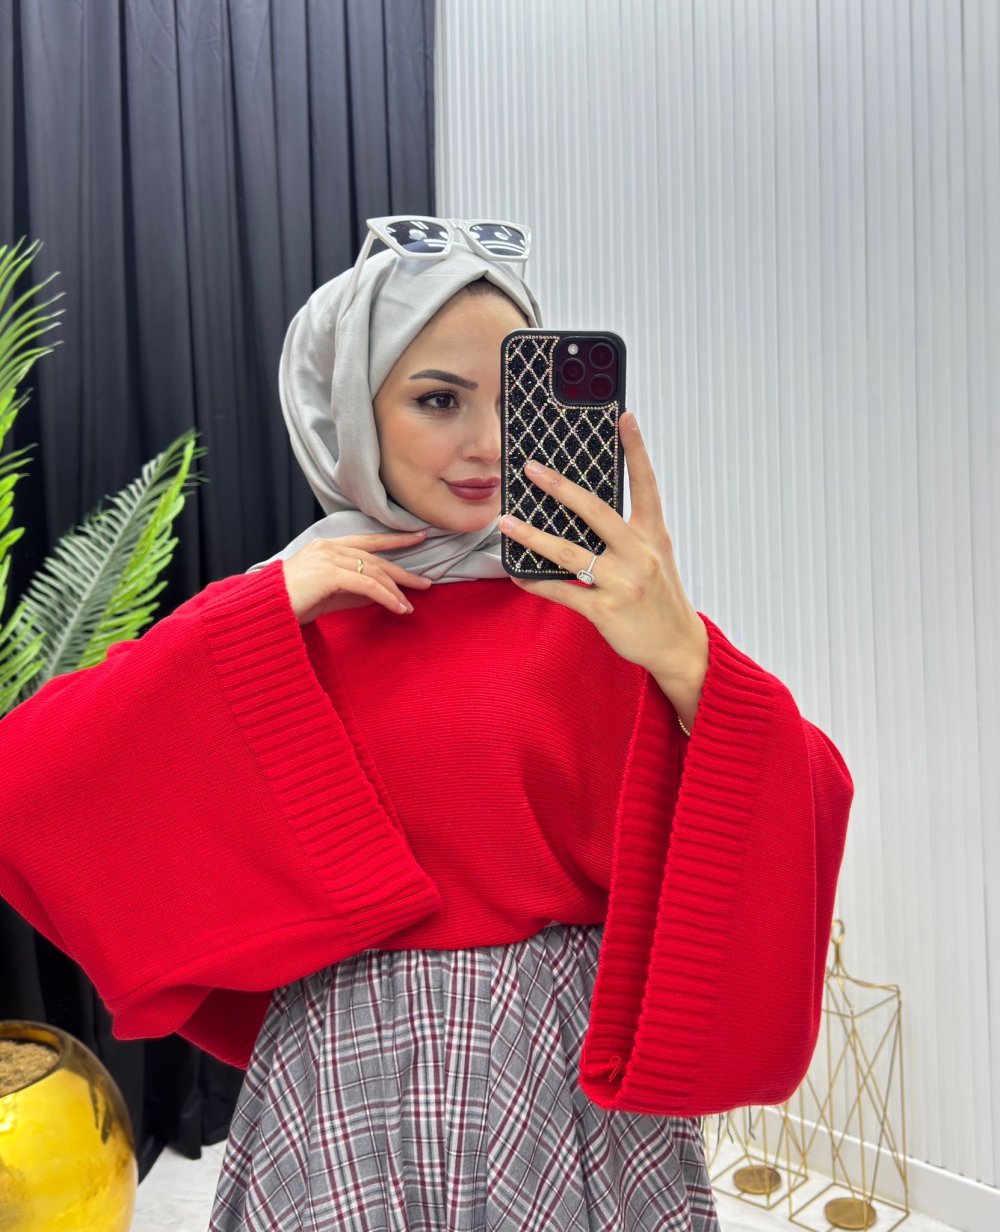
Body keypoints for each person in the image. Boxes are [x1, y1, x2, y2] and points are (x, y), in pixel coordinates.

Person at [0, 218, 854, 1231]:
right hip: (341, 1065)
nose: (489, 443)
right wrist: (255, 609)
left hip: (557, 1068)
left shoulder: (598, 608)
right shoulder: (285, 617)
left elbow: (803, 793)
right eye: (439, 399)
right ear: (348, 408)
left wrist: (685, 655)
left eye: (512, 399)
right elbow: (32, 777)